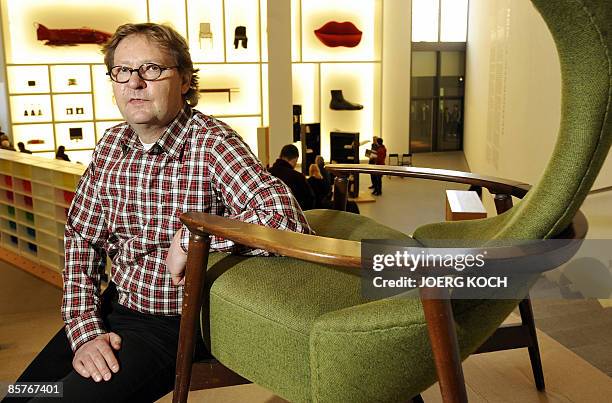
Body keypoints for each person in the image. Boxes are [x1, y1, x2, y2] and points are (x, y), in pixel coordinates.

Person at [6, 23, 310, 403]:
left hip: (174, 324)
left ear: (184, 80)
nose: (135, 82)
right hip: (115, 307)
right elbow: (81, 240)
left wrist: (195, 238)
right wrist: (86, 331)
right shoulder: (111, 146)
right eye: (122, 71)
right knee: (22, 396)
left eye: (151, 69)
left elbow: (286, 221)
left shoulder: (212, 143)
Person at [269, 144, 315, 211]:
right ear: (295, 159)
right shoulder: (298, 177)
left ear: (281, 156)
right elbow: (310, 200)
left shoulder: (267, 173)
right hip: (292, 216)